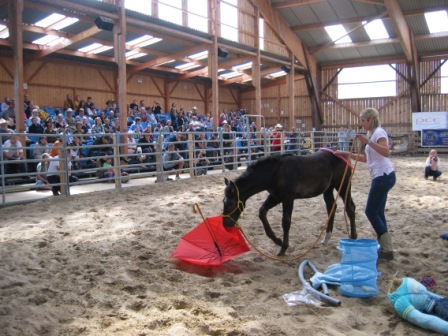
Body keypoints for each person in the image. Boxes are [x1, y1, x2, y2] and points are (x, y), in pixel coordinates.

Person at [336, 107, 396, 260]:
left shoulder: (379, 133)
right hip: (381, 175)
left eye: (363, 120)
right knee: (378, 212)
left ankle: (387, 248)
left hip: (383, 175)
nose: (361, 124)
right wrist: (344, 153)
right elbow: (364, 159)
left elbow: (386, 152)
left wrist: (367, 141)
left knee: (370, 211)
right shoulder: (372, 134)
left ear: (370, 120)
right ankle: (385, 247)